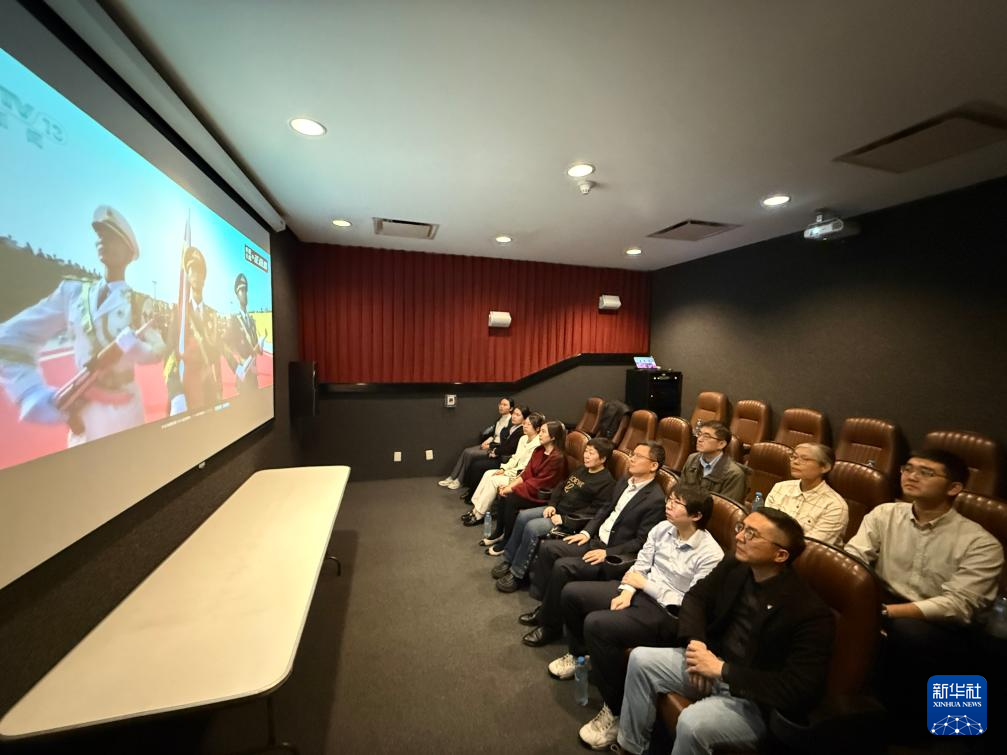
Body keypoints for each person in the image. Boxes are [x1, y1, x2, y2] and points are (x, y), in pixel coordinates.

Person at [616, 508, 835, 755]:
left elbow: (799, 689)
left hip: (753, 698)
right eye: (742, 527)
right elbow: (696, 598)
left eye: (752, 534)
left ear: (780, 555)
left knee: (692, 724)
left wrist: (722, 670)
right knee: (641, 660)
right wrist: (697, 646)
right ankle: (631, 748)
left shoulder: (809, 611)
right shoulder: (736, 564)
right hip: (713, 660)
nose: (739, 537)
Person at [550, 485, 724, 750]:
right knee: (572, 594)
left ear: (696, 515)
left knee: (597, 624)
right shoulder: (662, 528)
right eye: (669, 499)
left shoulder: (711, 554)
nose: (668, 505)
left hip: (668, 613)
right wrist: (628, 590)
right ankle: (580, 656)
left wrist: (645, 586)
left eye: (676, 503)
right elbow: (641, 564)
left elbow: (692, 603)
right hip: (639, 590)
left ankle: (616, 710)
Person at [844, 449, 1003, 724]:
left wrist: (885, 612)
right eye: (907, 468)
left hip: (945, 623)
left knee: (910, 633)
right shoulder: (885, 514)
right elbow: (853, 557)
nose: (912, 476)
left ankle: (933, 725)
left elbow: (958, 605)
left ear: (954, 488)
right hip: (886, 602)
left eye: (926, 472)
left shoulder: (980, 543)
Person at [0, 205, 166, 445]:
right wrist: (29, 392)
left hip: (126, 411)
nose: (103, 240)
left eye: (112, 237)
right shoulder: (72, 293)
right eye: (101, 235)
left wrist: (139, 350)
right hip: (83, 410)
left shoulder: (139, 302)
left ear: (129, 253)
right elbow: (11, 337)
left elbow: (159, 348)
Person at [520, 441, 667, 647]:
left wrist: (607, 553)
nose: (631, 459)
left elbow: (641, 541)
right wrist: (586, 532)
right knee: (548, 548)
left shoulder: (655, 499)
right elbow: (605, 509)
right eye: (632, 453)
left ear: (653, 466)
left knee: (562, 567)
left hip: (612, 553)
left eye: (638, 456)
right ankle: (546, 608)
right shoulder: (626, 481)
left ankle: (550, 627)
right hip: (595, 539)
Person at [492, 437, 616, 592]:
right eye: (586, 451)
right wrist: (552, 505)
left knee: (532, 527)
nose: (586, 455)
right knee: (522, 517)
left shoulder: (607, 482)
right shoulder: (582, 469)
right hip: (556, 510)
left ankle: (517, 574)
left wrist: (564, 519)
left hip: (569, 521)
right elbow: (561, 487)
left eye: (591, 453)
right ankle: (509, 559)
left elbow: (595, 512)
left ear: (603, 458)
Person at [482, 420, 567, 552]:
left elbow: (541, 482)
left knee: (511, 499)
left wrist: (512, 489)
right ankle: (499, 532)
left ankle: (507, 540)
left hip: (542, 494)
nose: (540, 434)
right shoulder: (539, 450)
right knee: (504, 494)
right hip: (531, 487)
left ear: (553, 437)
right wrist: (510, 486)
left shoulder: (557, 457)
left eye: (543, 431)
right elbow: (526, 473)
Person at [165, 246, 221, 414]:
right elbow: (169, 354)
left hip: (209, 389)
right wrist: (176, 393)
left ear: (204, 278)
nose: (196, 275)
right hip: (186, 388)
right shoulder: (180, 313)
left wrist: (219, 387)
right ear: (188, 278)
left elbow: (216, 355)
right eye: (192, 271)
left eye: (199, 272)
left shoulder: (212, 315)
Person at [461, 412, 543, 525]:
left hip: (519, 476)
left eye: (529, 425)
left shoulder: (538, 444)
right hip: (512, 470)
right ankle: (475, 509)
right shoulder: (523, 438)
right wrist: (504, 469)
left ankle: (479, 514)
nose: (525, 426)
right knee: (488, 473)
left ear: (537, 428)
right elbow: (515, 458)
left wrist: (507, 473)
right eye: (525, 423)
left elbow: (525, 468)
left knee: (494, 480)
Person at [763, 442, 848, 545]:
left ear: (825, 467)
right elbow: (764, 523)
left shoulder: (835, 506)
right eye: (794, 457)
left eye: (805, 459)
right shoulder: (780, 487)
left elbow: (811, 546)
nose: (795, 462)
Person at [438, 397, 513, 490]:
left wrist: (489, 445)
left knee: (470, 454)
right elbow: (495, 435)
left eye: (505, 405)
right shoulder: (500, 419)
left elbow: (504, 442)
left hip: (496, 448)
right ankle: (453, 477)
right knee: (466, 451)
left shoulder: (511, 422)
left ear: (511, 408)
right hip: (492, 443)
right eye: (500, 404)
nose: (501, 406)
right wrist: (487, 441)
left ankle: (460, 480)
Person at [459, 405, 527, 499]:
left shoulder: (521, 431)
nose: (514, 416)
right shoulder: (512, 427)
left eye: (518, 415)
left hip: (506, 460)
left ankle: (472, 494)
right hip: (500, 454)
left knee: (477, 466)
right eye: (514, 414)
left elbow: (510, 449)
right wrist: (494, 449)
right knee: (475, 463)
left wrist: (495, 451)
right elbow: (503, 443)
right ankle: (471, 492)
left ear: (524, 419)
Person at [677, 421, 747, 500]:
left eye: (706, 437)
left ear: (721, 444)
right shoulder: (692, 458)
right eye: (699, 434)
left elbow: (725, 506)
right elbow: (680, 491)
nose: (699, 439)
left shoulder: (734, 474)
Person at [223, 273, 261, 393]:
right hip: (243, 380)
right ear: (237, 295)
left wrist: (259, 347)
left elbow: (254, 348)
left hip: (254, 379)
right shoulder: (234, 320)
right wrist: (236, 366)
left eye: (245, 290)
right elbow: (224, 345)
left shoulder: (252, 322)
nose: (244, 293)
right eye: (241, 290)